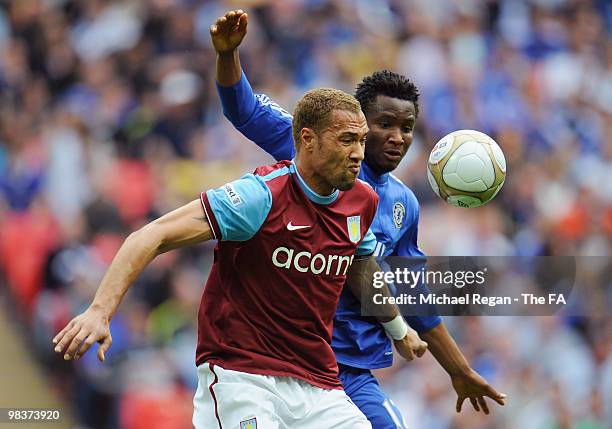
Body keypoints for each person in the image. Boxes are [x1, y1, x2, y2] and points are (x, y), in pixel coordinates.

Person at [52, 87, 428, 429]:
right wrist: (100, 310)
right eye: (347, 140)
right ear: (307, 140)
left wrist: (399, 331)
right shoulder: (260, 197)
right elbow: (153, 234)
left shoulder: (362, 201)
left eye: (361, 141)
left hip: (318, 384)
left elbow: (360, 267)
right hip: (241, 375)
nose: (359, 153)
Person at [210, 9, 507, 428]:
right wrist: (228, 54)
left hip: (348, 371)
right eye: (384, 124)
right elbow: (242, 109)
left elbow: (413, 295)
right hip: (280, 358)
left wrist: (457, 369)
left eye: (407, 127)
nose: (397, 137)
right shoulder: (314, 151)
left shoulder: (404, 205)